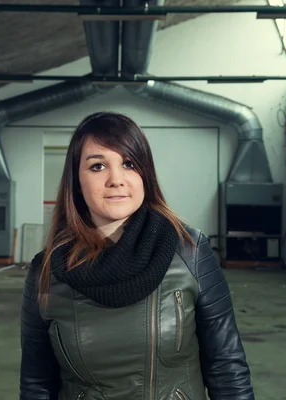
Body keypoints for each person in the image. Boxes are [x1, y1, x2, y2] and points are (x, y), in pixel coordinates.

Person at [20, 111, 255, 400]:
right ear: (76, 181)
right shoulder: (46, 273)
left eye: (129, 164)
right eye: (97, 166)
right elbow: (36, 384)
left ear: (145, 174)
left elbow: (226, 368)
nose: (116, 180)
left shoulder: (190, 251)